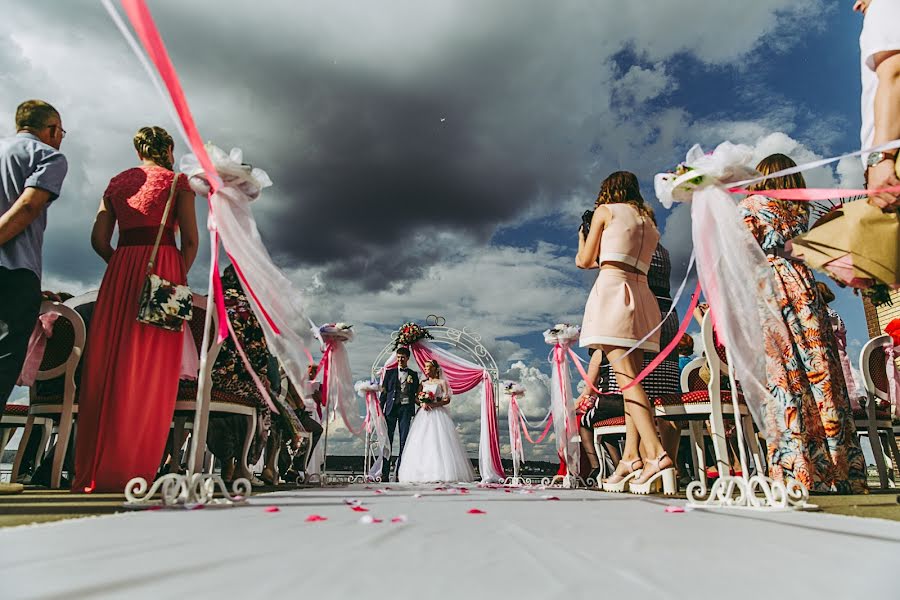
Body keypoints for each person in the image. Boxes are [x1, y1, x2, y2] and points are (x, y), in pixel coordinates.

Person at [72, 126, 198, 493]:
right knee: (151, 369)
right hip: (163, 272)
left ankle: (92, 470)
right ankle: (133, 467)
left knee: (107, 365)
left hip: (119, 273)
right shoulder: (178, 182)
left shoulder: (116, 183)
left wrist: (122, 265)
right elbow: (189, 240)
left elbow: (98, 239)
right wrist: (173, 276)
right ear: (169, 149)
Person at [740, 153, 866, 493]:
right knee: (821, 376)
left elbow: (739, 254)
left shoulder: (751, 207)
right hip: (805, 291)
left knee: (786, 377)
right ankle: (840, 468)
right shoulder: (799, 213)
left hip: (773, 290)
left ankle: (799, 468)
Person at [576, 171, 673, 494]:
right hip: (643, 295)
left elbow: (585, 260)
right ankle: (631, 456)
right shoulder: (649, 221)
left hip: (614, 289)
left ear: (608, 190)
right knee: (634, 380)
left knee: (626, 380)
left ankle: (655, 453)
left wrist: (583, 235)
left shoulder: (607, 212)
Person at [577, 244, 682, 484]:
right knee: (663, 394)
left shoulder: (621, 240)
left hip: (637, 310)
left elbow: (591, 261)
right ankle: (662, 466)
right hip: (665, 312)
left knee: (632, 386)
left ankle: (648, 459)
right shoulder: (662, 249)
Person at [0, 100, 68, 431]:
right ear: (52, 129)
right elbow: (28, 207)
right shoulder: (48, 156)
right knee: (3, 361)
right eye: (61, 133)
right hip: (13, 273)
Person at [205, 265, 273, 485]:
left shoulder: (205, 300)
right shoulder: (246, 307)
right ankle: (243, 465)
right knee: (264, 404)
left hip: (195, 380)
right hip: (229, 381)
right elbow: (258, 351)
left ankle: (179, 463)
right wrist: (261, 374)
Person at [398, 359, 475, 483]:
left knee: (439, 441)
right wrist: (422, 402)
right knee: (421, 440)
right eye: (425, 367)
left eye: (428, 367)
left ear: (435, 368)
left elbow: (447, 399)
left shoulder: (442, 382)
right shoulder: (423, 383)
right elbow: (417, 398)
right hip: (424, 414)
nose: (426, 369)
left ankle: (442, 472)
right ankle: (421, 473)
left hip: (438, 413)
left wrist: (435, 404)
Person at [855, 0, 900, 210]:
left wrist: (881, 156)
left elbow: (895, 73)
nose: (856, 4)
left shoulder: (886, 4)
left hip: (892, 158)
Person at [816, 281, 863, 408]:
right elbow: (842, 331)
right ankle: (851, 406)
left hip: (831, 354)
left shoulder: (819, 315)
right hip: (841, 352)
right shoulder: (833, 312)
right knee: (846, 382)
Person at [379, 346, 419, 481]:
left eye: (403, 357)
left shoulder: (413, 375)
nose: (400, 360)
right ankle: (384, 472)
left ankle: (400, 472)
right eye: (398, 357)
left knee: (404, 440)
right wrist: (380, 409)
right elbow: (384, 393)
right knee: (387, 441)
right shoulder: (389, 373)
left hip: (406, 410)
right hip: (391, 409)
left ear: (407, 358)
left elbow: (416, 394)